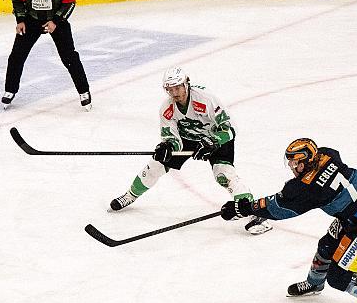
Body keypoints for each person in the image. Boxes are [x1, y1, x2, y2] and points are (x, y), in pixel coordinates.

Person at [220, 138, 357, 303]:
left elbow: (278, 208)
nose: (292, 167)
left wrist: (242, 208)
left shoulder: (307, 189)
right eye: (290, 163)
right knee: (326, 246)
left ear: (307, 161)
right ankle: (315, 283)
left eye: (296, 163)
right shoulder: (327, 155)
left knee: (339, 277)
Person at [109, 66, 272, 236]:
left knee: (223, 175)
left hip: (216, 138)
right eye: (170, 89)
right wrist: (168, 147)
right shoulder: (167, 108)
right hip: (187, 139)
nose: (175, 93)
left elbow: (230, 129)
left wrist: (212, 141)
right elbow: (172, 138)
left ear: (187, 84)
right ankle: (130, 195)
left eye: (178, 87)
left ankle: (256, 214)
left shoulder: (206, 99)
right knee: (156, 164)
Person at [2, 0, 91, 111]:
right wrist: (20, 20)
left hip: (56, 22)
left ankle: (84, 92)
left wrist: (55, 22)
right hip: (31, 21)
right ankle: (10, 90)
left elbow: (70, 2)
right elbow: (17, 0)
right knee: (16, 57)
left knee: (70, 58)